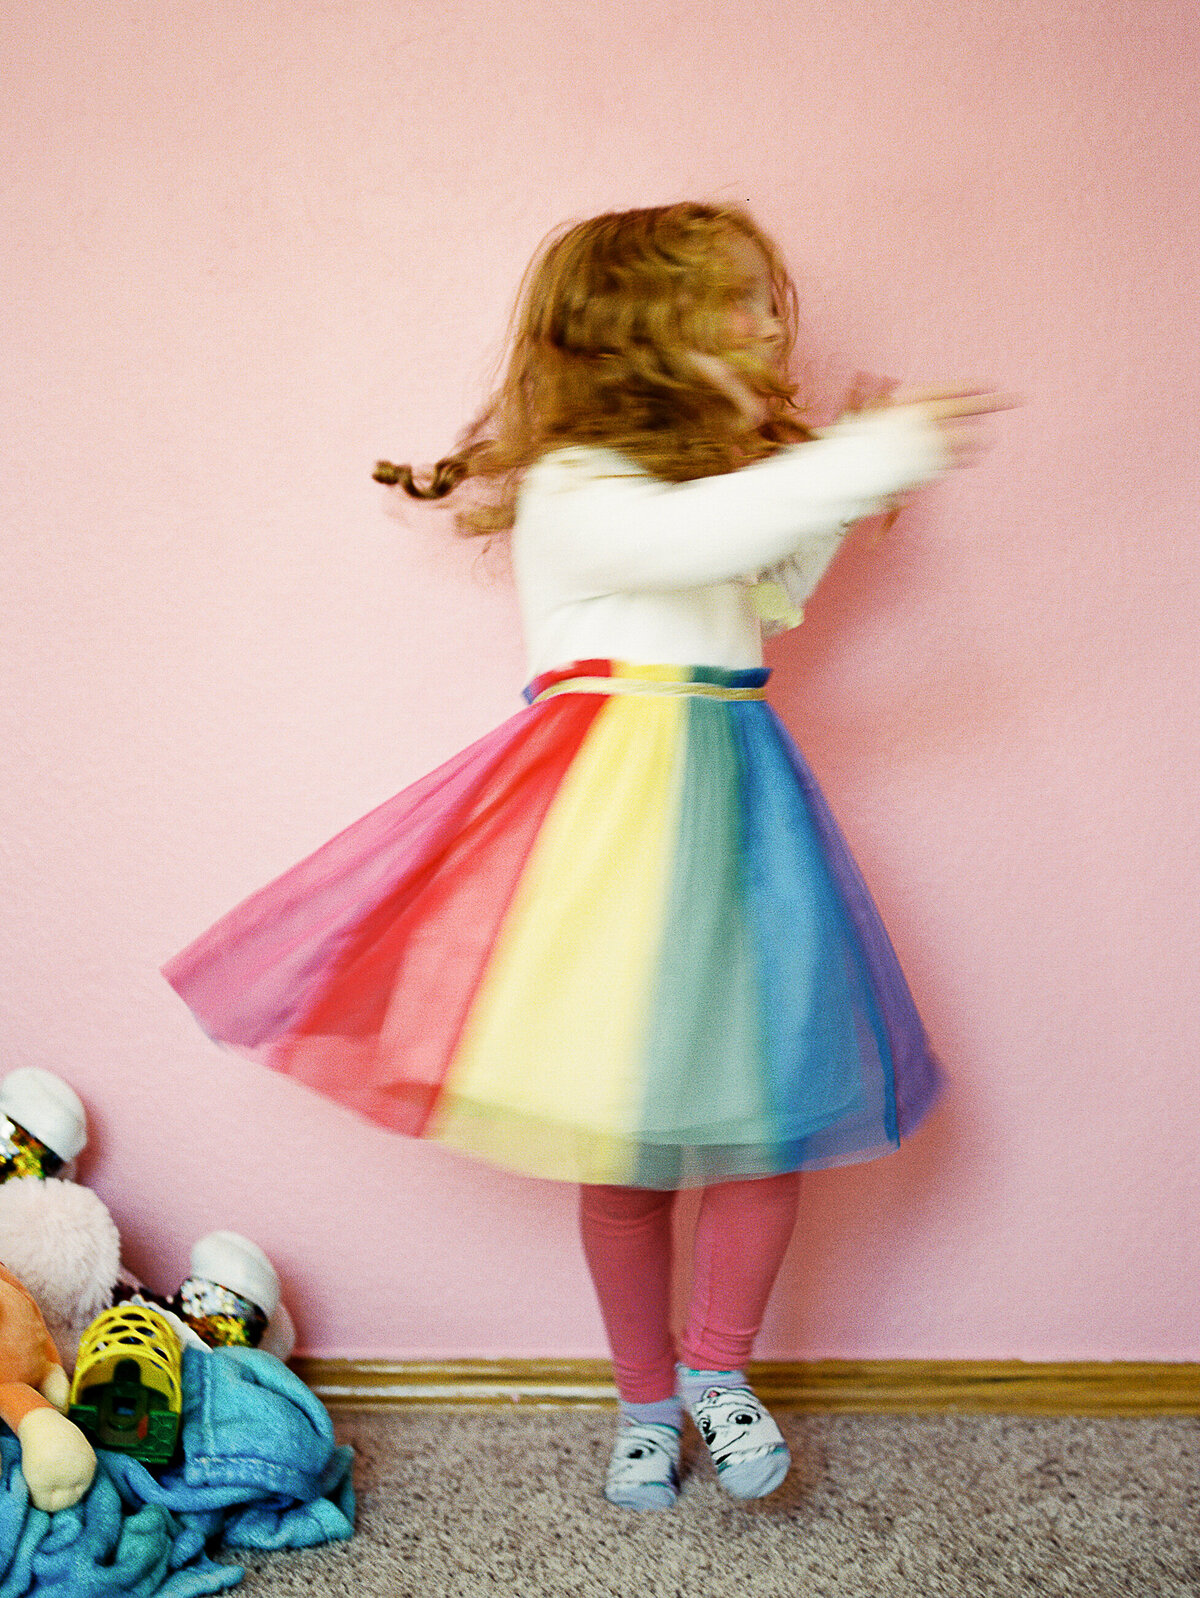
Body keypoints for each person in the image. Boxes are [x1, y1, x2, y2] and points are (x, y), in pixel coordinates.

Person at [164, 203, 1003, 1510]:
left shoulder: (697, 494)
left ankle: (721, 1372)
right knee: (629, 1149)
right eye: (738, 303)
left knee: (765, 1122)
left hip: (740, 827)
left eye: (765, 303)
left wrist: (851, 491)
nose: (773, 324)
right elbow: (699, 544)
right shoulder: (580, 489)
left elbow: (761, 589)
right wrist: (860, 455)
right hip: (609, 841)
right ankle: (644, 1398)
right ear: (638, 334)